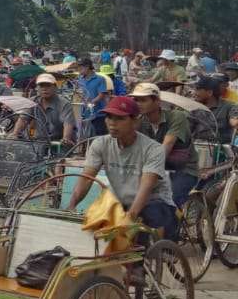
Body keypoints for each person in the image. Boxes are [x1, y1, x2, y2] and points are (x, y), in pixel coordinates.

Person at [66, 96, 176, 240]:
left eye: (120, 118)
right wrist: (71, 206)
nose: (112, 123)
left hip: (153, 200)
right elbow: (86, 179)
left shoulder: (153, 149)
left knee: (138, 238)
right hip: (122, 200)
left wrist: (130, 217)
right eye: (109, 117)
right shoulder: (100, 144)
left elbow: (146, 187)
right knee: (93, 228)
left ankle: (150, 256)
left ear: (135, 121)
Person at [131, 82, 196, 207]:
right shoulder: (139, 121)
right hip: (154, 168)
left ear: (157, 101)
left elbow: (165, 148)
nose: (138, 104)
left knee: (172, 200)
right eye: (136, 100)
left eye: (143, 100)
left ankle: (173, 224)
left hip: (182, 169)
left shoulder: (177, 117)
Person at [14, 73, 74, 143]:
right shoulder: (32, 102)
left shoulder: (64, 104)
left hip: (57, 141)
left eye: (48, 86)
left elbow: (68, 124)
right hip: (38, 141)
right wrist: (15, 134)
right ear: (37, 88)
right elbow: (23, 120)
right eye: (41, 86)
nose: (44, 89)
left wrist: (66, 139)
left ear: (55, 87)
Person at [194, 75, 238, 143]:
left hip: (219, 148)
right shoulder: (193, 107)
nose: (195, 93)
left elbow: (235, 121)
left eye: (198, 90)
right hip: (196, 146)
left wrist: (235, 121)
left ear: (209, 92)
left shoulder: (229, 106)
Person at [76, 57, 113, 139]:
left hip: (98, 114)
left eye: (80, 67)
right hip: (85, 114)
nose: (79, 69)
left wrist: (91, 102)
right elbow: (78, 93)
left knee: (100, 137)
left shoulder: (100, 79)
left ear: (87, 67)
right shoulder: (80, 79)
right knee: (85, 137)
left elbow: (101, 94)